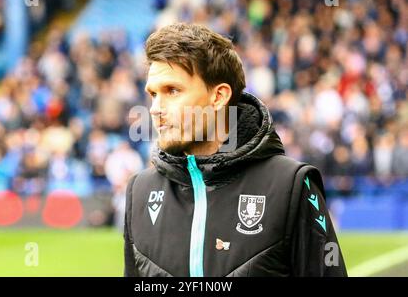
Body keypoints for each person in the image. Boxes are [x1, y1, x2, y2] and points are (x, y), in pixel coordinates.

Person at [124, 23, 347, 277]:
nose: (155, 109)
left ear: (218, 97)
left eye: (172, 91)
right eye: (153, 94)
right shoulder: (140, 193)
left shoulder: (289, 186)